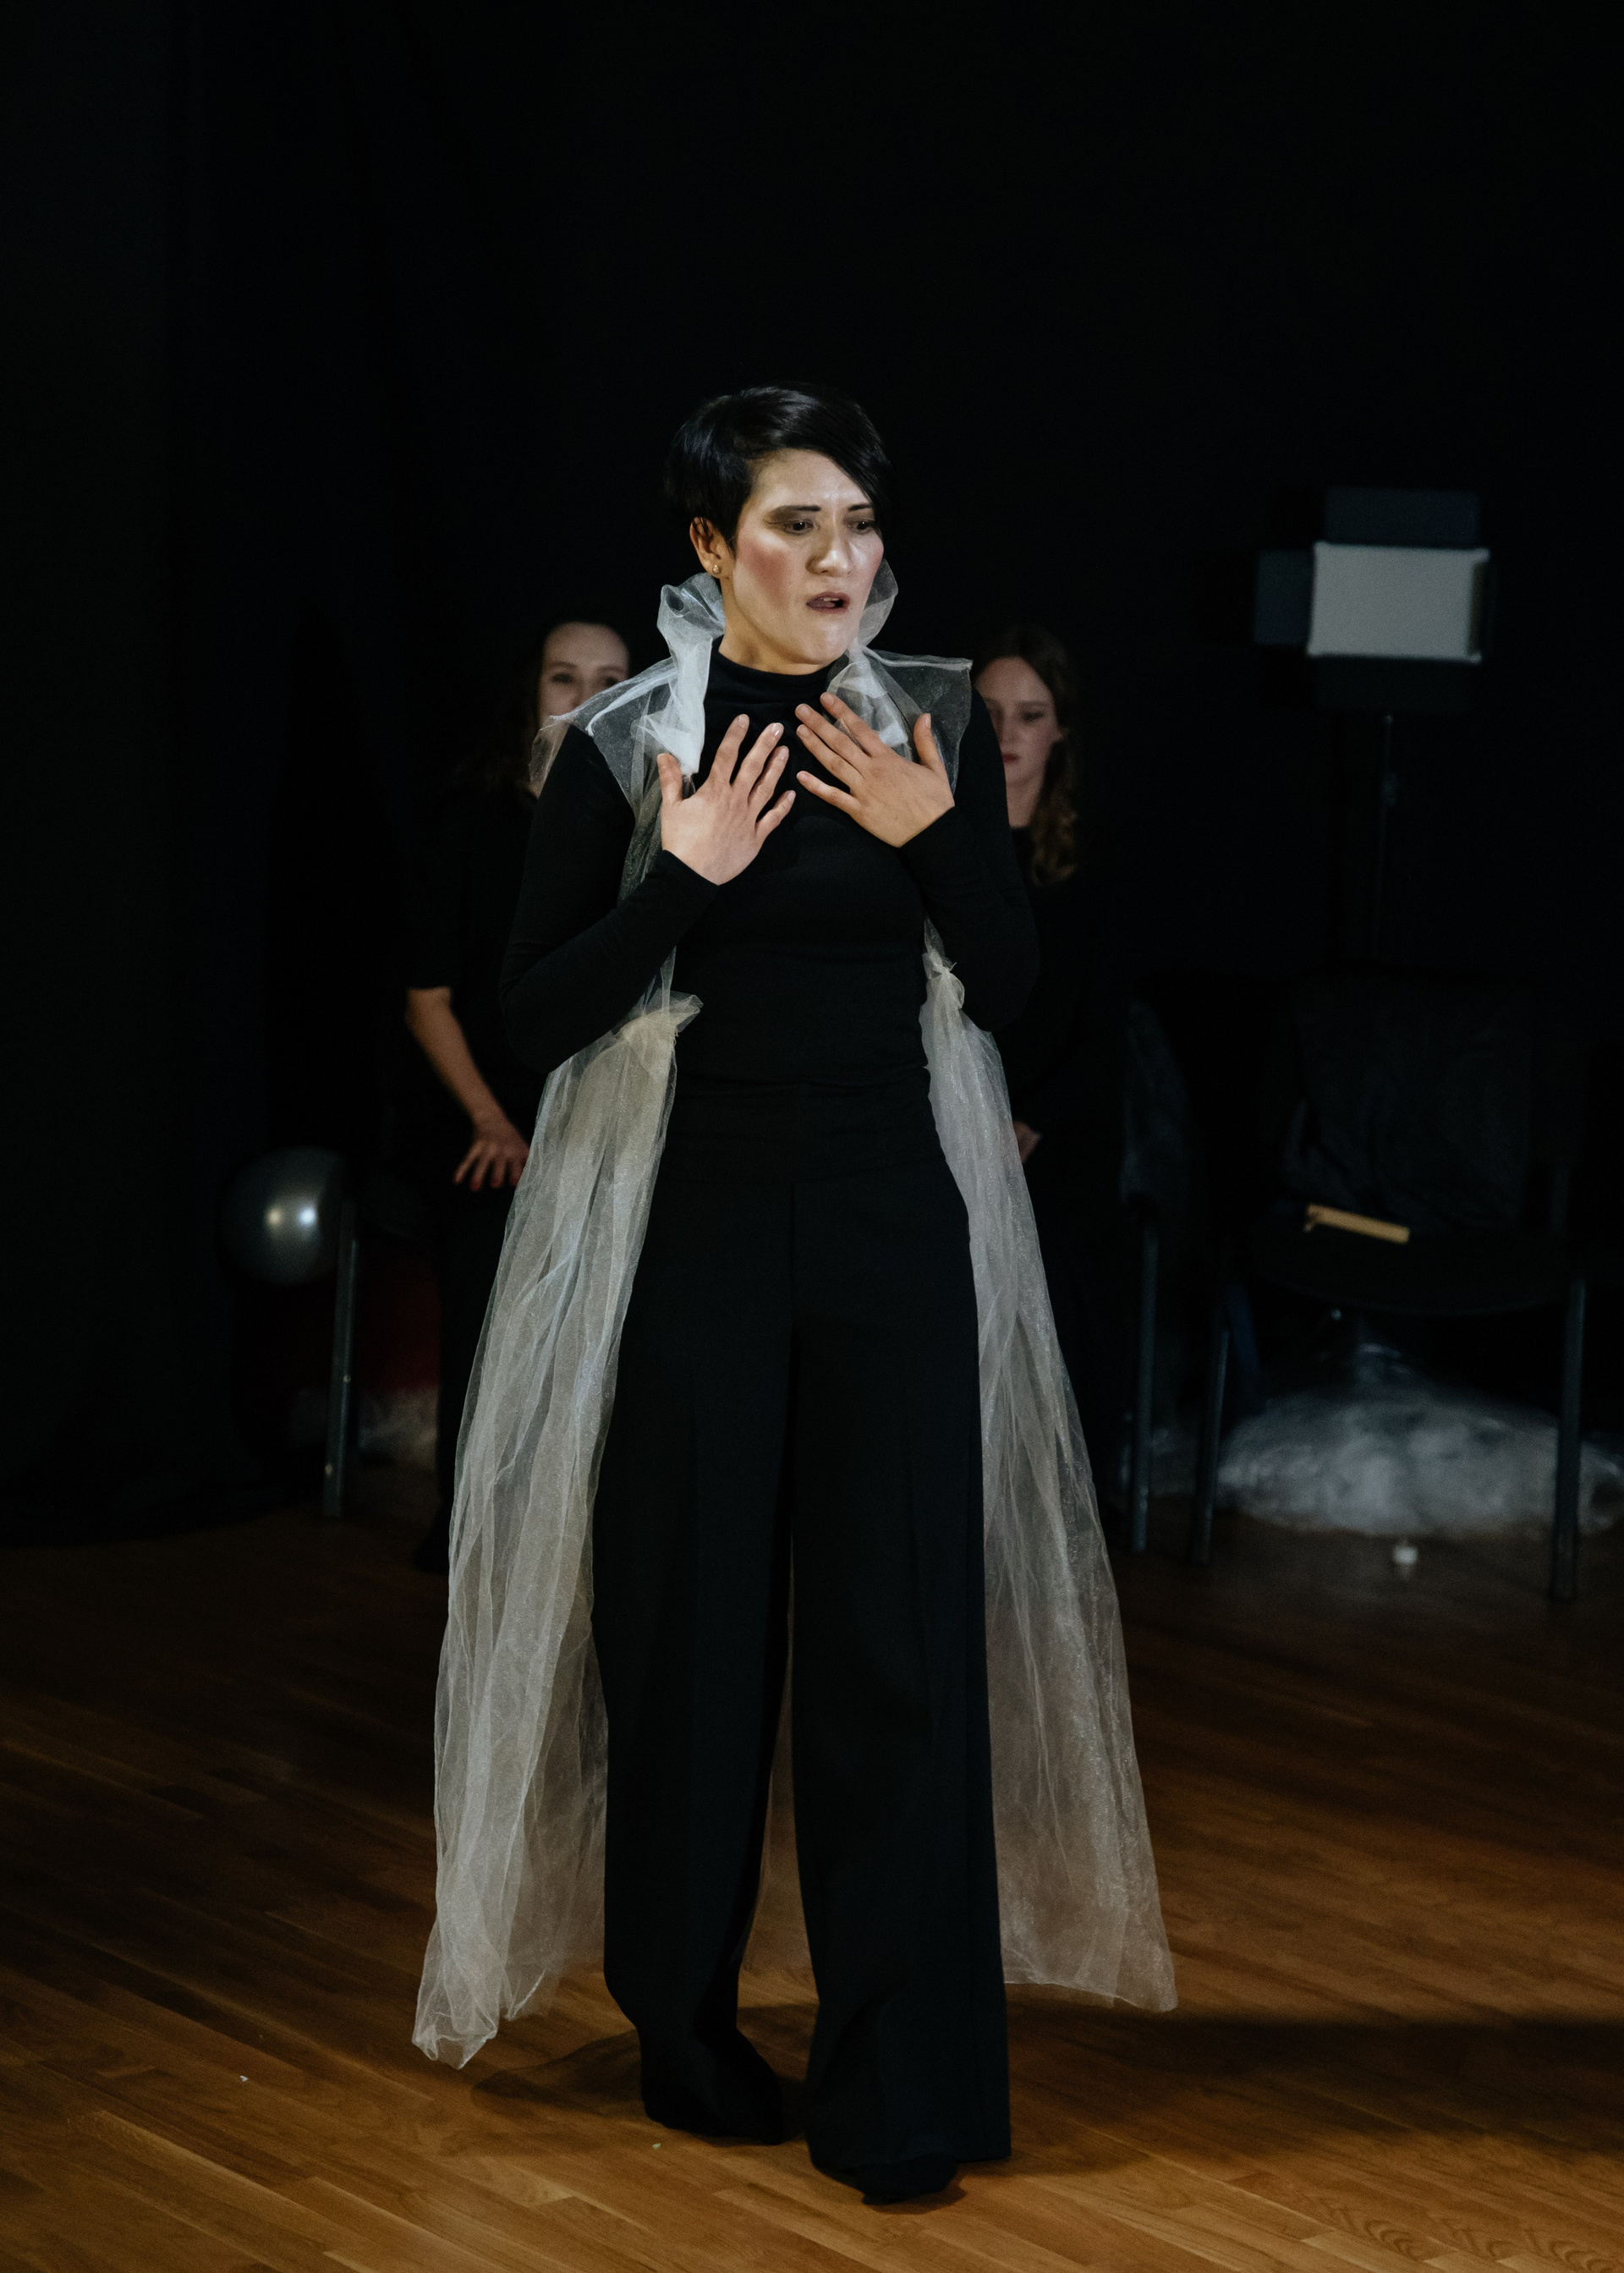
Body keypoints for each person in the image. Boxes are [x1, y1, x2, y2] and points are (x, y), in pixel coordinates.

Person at [414, 387, 1174, 2205]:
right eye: (796, 523)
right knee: (690, 1639)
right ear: (710, 546)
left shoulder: (919, 715)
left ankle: (899, 2073)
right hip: (697, 1224)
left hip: (889, 1219)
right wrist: (680, 883)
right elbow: (536, 1015)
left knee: (895, 1639)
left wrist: (934, 829)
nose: (842, 557)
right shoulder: (629, 744)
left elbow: (1011, 982)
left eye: (860, 522)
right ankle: (685, 2037)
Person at [402, 618, 629, 1573]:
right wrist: (491, 1118)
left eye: (609, 680)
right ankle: (469, 1531)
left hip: (605, 1114)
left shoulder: (647, 814)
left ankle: (576, 1535)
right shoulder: (472, 821)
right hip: (488, 1114)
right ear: (531, 691)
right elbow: (426, 998)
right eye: (564, 678)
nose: (584, 699)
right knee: (489, 1316)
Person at [975, 627, 1131, 1491]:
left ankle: (1061, 1496)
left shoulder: (1095, 863)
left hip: (1058, 1124)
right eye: (992, 712)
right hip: (947, 1109)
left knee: (1055, 1261)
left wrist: (1030, 1120)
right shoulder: (934, 841)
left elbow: (1104, 1030)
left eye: (1030, 715)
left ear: (1060, 729)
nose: (1008, 732)